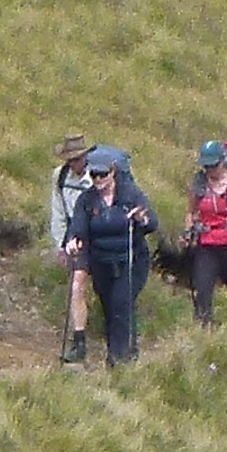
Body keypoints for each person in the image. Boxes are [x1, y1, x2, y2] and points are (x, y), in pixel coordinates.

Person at [64, 148, 157, 367]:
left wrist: (142, 219)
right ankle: (119, 354)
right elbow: (78, 227)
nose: (97, 179)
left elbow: (152, 224)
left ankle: (120, 359)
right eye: (94, 175)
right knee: (108, 307)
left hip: (131, 261)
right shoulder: (86, 201)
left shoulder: (131, 194)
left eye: (102, 174)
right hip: (101, 263)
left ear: (113, 172)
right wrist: (73, 240)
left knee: (121, 304)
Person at [182, 140, 227, 325]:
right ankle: (203, 330)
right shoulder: (199, 184)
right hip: (207, 245)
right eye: (206, 166)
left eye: (213, 165)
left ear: (223, 161)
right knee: (202, 292)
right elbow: (190, 212)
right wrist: (188, 230)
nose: (209, 170)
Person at [50, 132, 93, 363]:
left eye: (77, 159)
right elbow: (57, 211)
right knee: (77, 286)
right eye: (70, 160)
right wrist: (60, 245)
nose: (74, 164)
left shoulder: (97, 175)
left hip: (97, 236)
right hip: (74, 239)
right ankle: (79, 341)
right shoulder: (60, 177)